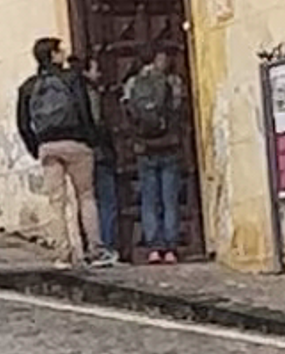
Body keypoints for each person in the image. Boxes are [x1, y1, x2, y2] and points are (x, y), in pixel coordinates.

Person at [14, 35, 109, 264]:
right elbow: (85, 111)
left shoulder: (28, 86)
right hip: (75, 142)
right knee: (86, 196)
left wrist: (36, 147)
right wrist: (90, 140)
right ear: (54, 55)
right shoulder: (72, 78)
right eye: (60, 50)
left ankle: (63, 254)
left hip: (47, 145)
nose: (64, 53)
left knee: (56, 202)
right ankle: (95, 250)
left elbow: (23, 123)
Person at [114, 40, 192, 264]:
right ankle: (171, 248)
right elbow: (179, 110)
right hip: (168, 145)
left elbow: (127, 114)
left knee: (149, 199)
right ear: (158, 58)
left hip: (144, 148)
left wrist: (134, 140)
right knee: (169, 198)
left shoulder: (131, 84)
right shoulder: (173, 82)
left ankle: (153, 248)